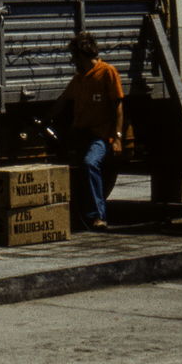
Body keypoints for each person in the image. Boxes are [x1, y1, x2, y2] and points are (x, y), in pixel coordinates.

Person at [51, 32, 124, 231]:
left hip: (101, 135)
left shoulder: (107, 72)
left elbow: (118, 106)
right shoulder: (80, 79)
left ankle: (98, 216)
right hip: (81, 134)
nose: (73, 61)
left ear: (81, 55)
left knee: (90, 163)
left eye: (74, 56)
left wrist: (117, 137)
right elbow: (63, 100)